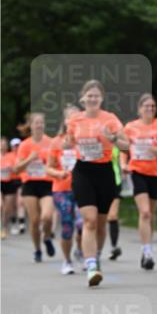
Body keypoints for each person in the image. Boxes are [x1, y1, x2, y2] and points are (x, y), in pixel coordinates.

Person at [65, 79, 129, 286]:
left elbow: (126, 145)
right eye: (89, 95)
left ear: (101, 98)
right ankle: (90, 264)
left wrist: (112, 138)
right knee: (89, 220)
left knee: (101, 223)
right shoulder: (74, 120)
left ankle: (97, 254)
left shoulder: (110, 119)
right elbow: (68, 143)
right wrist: (66, 145)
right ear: (83, 98)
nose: (92, 99)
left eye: (96, 96)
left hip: (104, 173)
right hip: (83, 172)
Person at [123, 93, 157, 270]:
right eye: (146, 106)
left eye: (153, 106)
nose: (150, 109)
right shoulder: (130, 128)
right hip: (137, 171)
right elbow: (123, 149)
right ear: (139, 109)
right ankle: (147, 250)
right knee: (144, 212)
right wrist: (123, 164)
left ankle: (147, 245)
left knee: (151, 213)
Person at [13, 112, 55, 262]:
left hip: (47, 183)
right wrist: (29, 159)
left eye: (41, 122)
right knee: (35, 220)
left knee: (47, 216)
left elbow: (57, 161)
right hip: (30, 184)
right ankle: (37, 249)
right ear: (30, 126)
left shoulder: (51, 142)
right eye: (36, 123)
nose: (39, 125)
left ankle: (47, 237)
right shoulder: (25, 145)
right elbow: (16, 169)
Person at [47, 104, 81, 274]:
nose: (73, 120)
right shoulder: (56, 141)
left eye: (77, 117)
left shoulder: (84, 139)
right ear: (65, 120)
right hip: (61, 189)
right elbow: (49, 168)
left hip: (82, 187)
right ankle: (67, 261)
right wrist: (59, 173)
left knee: (83, 223)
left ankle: (81, 250)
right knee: (67, 222)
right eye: (70, 117)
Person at [1, 136, 20, 238]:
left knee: (7, 207)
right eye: (1, 144)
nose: (3, 146)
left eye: (4, 145)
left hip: (9, 183)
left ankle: (4, 227)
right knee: (1, 205)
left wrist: (11, 168)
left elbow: (16, 170)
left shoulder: (11, 156)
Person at [107, 145, 124, 260]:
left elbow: (123, 156)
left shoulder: (115, 145)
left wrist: (123, 166)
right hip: (94, 183)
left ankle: (114, 246)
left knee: (112, 216)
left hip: (114, 182)